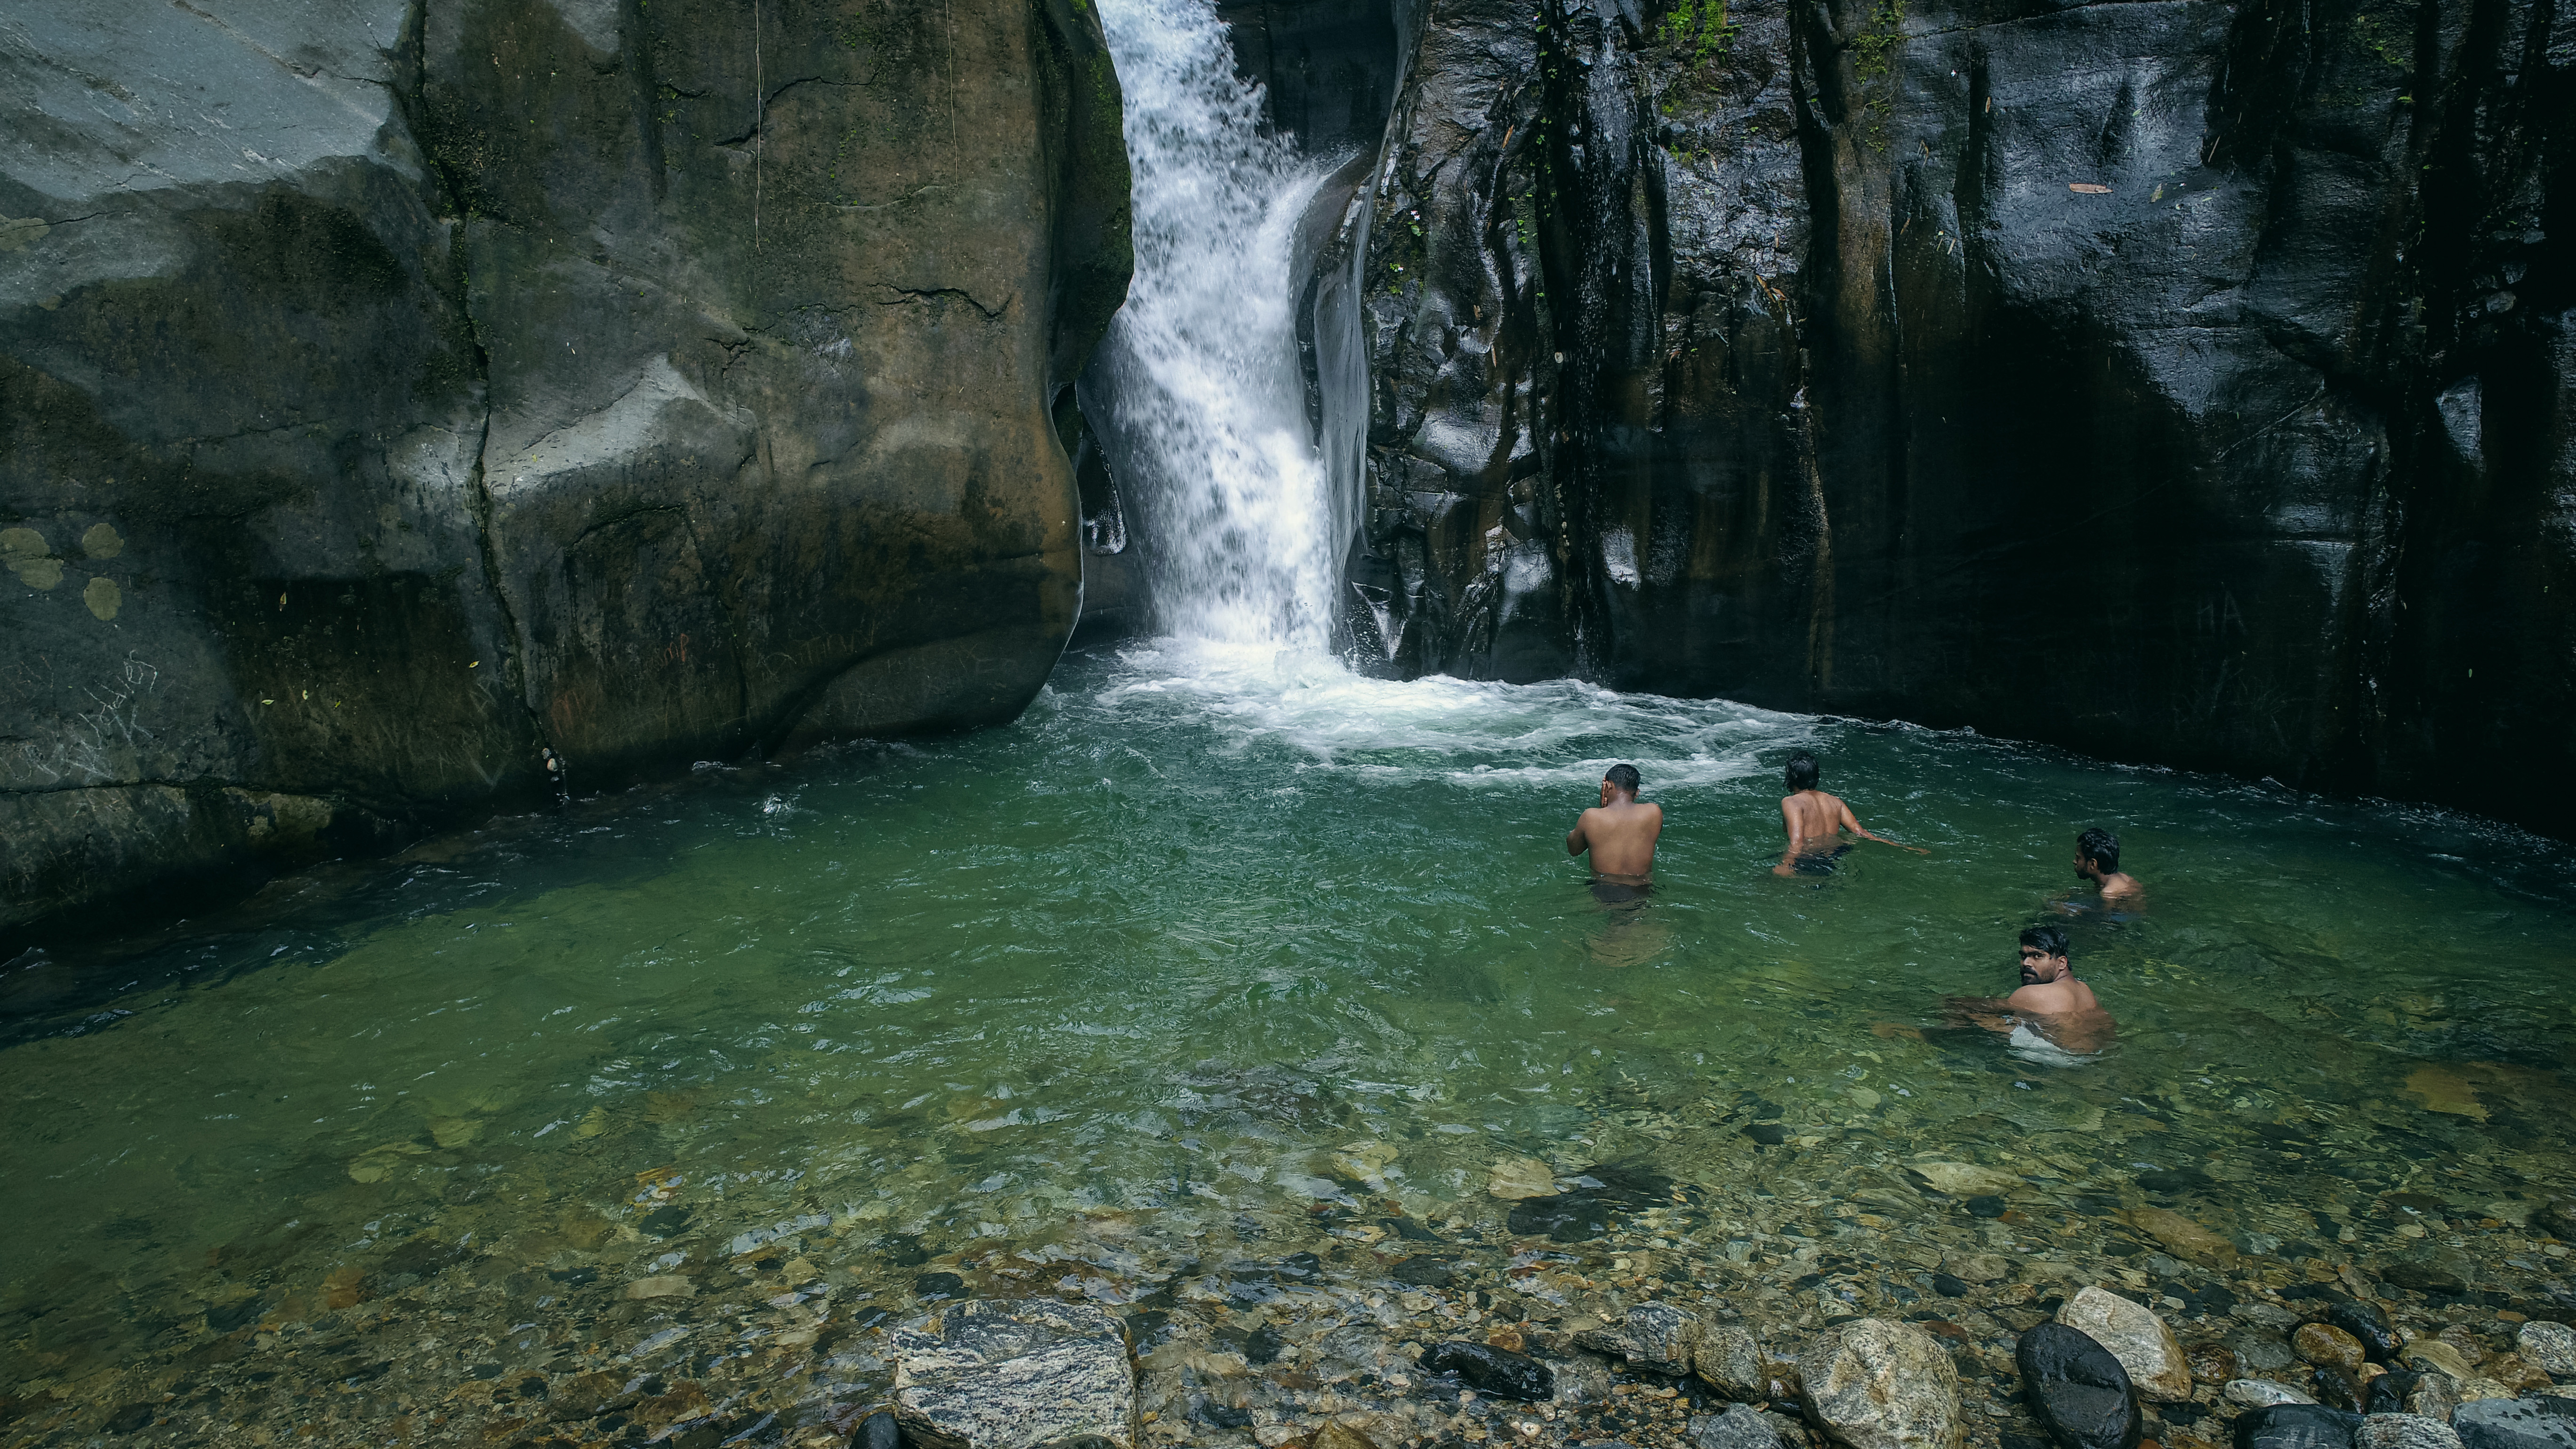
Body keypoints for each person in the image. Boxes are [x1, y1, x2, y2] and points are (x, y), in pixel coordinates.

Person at [1943, 923, 2117, 1059]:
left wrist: (1952, 1002)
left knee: (1964, 1014)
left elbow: (1985, 1007)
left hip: (2060, 1057)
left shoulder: (2031, 994)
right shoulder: (2084, 989)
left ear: (2062, 963)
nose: (2026, 963)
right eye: (2023, 956)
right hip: (2094, 1054)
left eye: (2037, 956)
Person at [1772, 750, 1927, 876]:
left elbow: (1797, 842)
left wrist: (1787, 864)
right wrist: (1905, 847)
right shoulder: (1835, 801)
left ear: (1791, 778)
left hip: (1807, 859)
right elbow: (1861, 833)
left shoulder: (1791, 802)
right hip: (1835, 855)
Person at [1567, 763, 1663, 902]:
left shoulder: (1591, 817)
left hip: (1603, 889)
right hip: (1642, 889)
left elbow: (1573, 849)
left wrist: (1603, 809)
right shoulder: (1654, 813)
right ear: (1637, 793)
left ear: (1608, 787)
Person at [2074, 827, 2140, 900]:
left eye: (2078, 858)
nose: (2074, 861)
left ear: (2093, 864)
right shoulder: (2124, 877)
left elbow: (2104, 911)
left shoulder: (2108, 893)